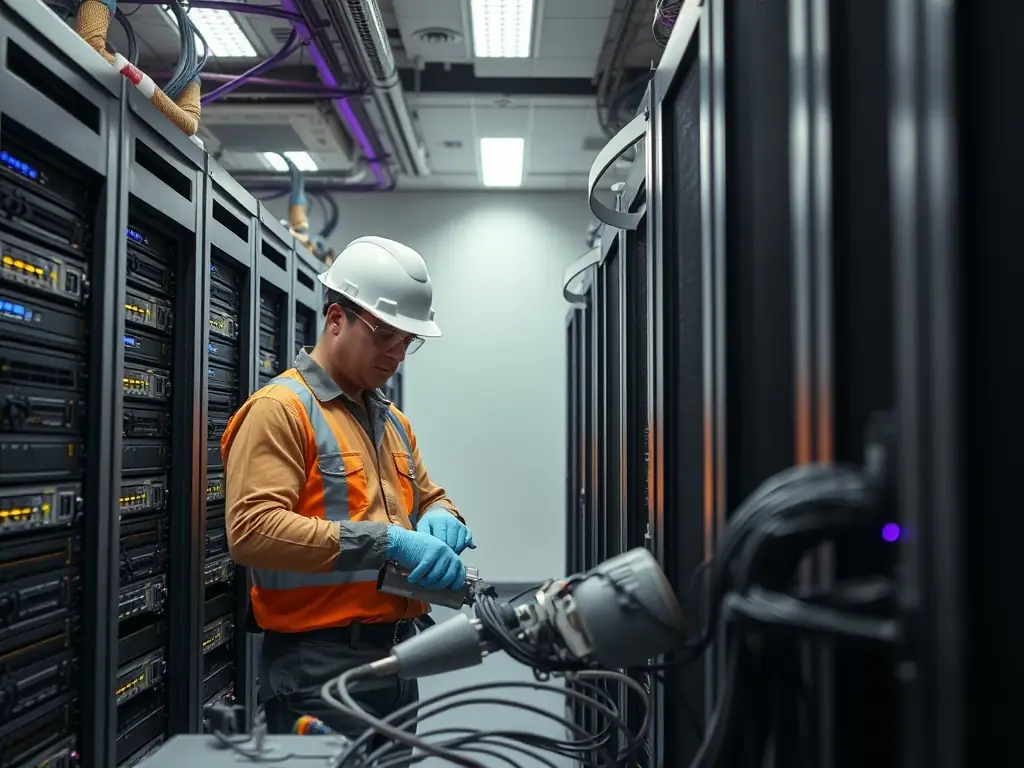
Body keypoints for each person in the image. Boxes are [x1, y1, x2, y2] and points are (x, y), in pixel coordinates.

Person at [221, 235, 475, 738]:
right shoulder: (281, 410)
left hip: (396, 657)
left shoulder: (391, 420)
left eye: (408, 340)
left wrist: (443, 517)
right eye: (385, 334)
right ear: (336, 319)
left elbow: (429, 495)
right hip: (317, 667)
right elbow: (251, 531)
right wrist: (387, 542)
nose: (398, 352)